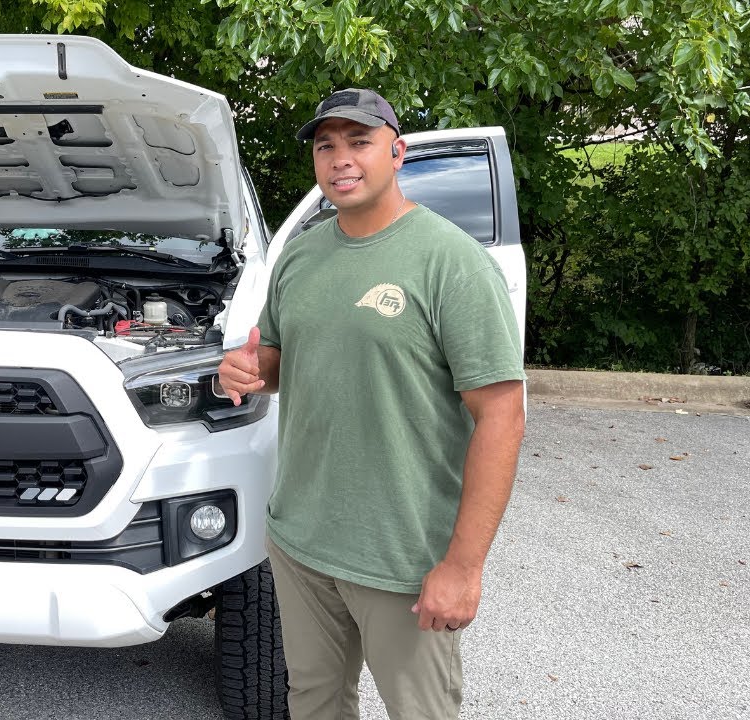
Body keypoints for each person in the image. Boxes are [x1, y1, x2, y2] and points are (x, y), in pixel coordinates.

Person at [217, 88, 527, 719]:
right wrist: (250, 371)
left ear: (397, 151)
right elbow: (279, 360)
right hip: (302, 541)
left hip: (401, 557)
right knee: (314, 700)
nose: (340, 159)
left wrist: (463, 568)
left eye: (358, 142)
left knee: (419, 711)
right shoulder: (301, 254)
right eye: (325, 146)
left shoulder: (452, 263)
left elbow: (502, 414)